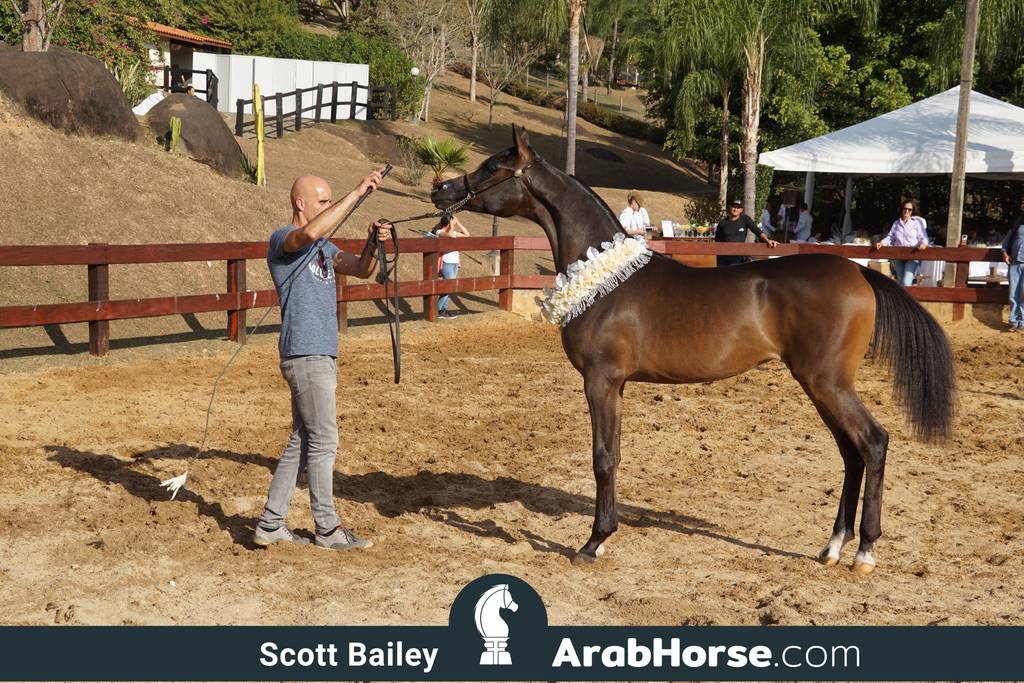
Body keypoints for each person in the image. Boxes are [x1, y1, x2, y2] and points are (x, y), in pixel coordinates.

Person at [255, 169, 390, 551]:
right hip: (305, 353)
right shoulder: (283, 239)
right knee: (325, 441)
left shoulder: (325, 249)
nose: (329, 206)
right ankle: (328, 529)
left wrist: (372, 242)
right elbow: (309, 233)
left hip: (320, 353)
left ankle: (270, 523)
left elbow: (364, 270)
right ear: (301, 204)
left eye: (331, 200)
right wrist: (357, 192)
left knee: (302, 439)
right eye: (323, 201)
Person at [872, 199, 928, 287]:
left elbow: (924, 237)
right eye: (905, 208)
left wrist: (923, 244)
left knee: (906, 281)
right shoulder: (896, 223)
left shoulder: (917, 223)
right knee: (901, 279)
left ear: (912, 211)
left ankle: (905, 300)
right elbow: (890, 237)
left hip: (912, 255)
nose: (907, 211)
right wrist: (882, 243)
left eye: (909, 209)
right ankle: (903, 300)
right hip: (897, 255)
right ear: (902, 209)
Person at [714, 200, 779, 266]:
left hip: (738, 256)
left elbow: (757, 230)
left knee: (738, 274)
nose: (735, 209)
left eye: (738, 207)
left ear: (741, 210)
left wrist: (768, 240)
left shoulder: (745, 219)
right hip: (724, 256)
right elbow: (717, 240)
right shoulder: (722, 223)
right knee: (723, 275)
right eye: (734, 207)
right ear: (730, 207)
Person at [430, 213, 470, 319]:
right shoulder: (439, 232)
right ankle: (438, 310)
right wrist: (452, 225)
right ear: (448, 224)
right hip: (446, 261)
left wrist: (459, 223)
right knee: (448, 285)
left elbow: (467, 235)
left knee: (449, 286)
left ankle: (442, 310)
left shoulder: (453, 232)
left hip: (455, 262)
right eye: (453, 222)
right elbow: (450, 235)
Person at [1001, 217, 1024, 332]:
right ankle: (1014, 321)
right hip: (1014, 263)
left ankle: (1023, 322)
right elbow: (1005, 243)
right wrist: (1005, 254)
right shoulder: (1017, 225)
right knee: (1013, 293)